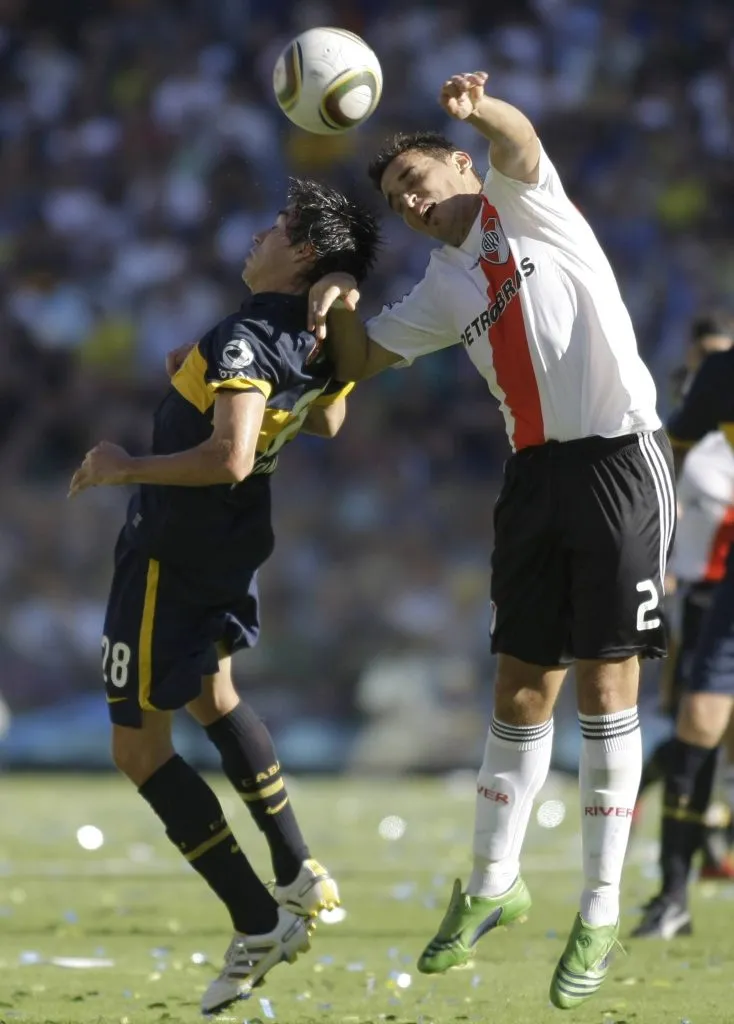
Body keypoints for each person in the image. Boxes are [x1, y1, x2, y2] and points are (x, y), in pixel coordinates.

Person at [307, 72, 674, 1010]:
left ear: (460, 164)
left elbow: (518, 136)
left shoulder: (526, 201)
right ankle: (491, 885)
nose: (414, 202)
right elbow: (363, 364)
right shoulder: (441, 287)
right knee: (519, 689)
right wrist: (337, 292)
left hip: (621, 463)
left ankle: (597, 908)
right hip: (535, 478)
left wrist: (485, 108)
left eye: (420, 180)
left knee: (607, 685)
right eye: (398, 201)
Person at [68, 178, 380, 1014]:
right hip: (233, 548)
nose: (257, 236)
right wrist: (198, 378)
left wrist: (123, 465)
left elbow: (232, 456)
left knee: (137, 749)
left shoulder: (248, 332)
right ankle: (296, 868)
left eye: (277, 228)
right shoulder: (314, 335)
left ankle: (255, 921)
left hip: (171, 552)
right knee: (214, 694)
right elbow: (325, 420)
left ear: (305, 253)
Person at [633, 323, 734, 940]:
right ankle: (673, 894)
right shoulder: (722, 377)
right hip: (712, 590)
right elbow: (671, 457)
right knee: (697, 721)